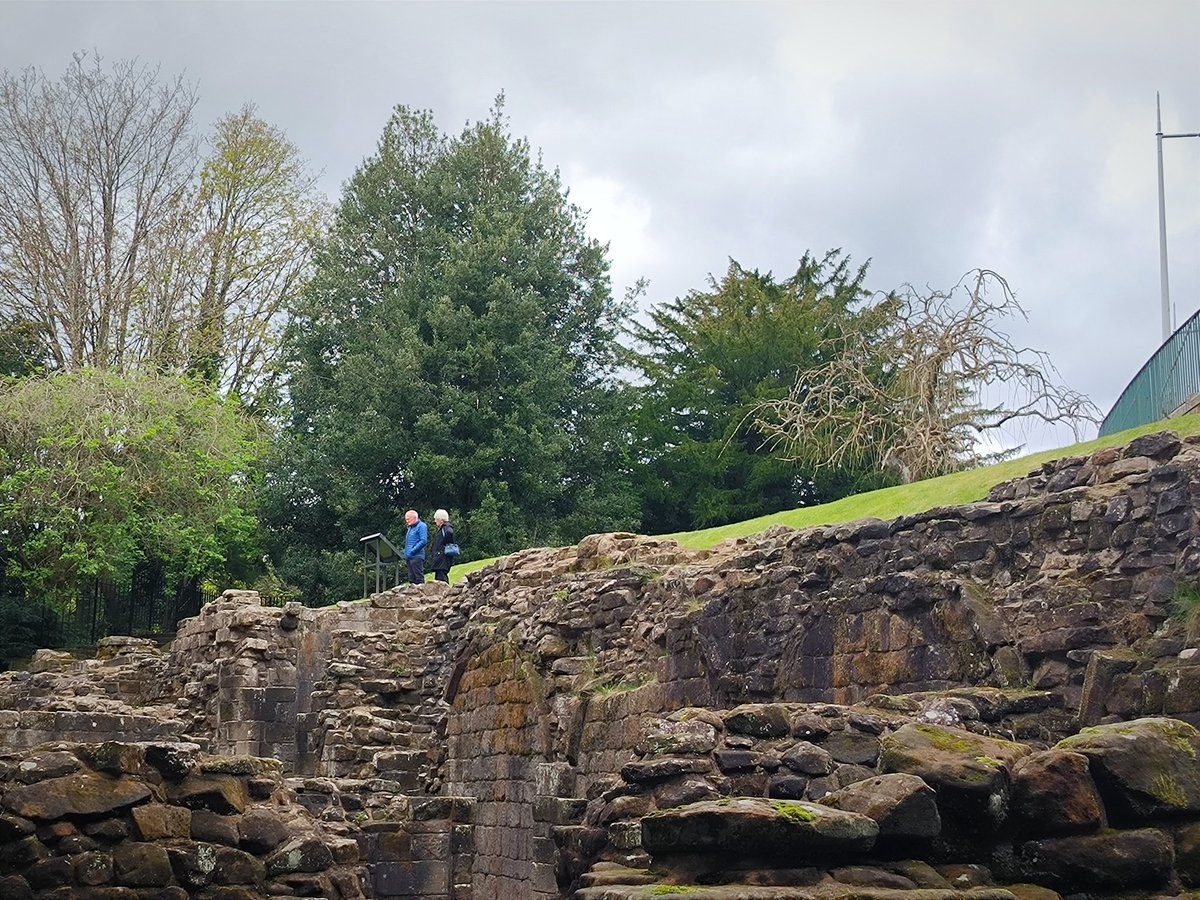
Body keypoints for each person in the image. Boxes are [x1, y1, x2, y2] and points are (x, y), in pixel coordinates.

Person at [429, 509, 457, 584]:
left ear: (441, 520)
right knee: (439, 577)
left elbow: (450, 534)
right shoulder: (443, 529)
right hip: (441, 558)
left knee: (442, 578)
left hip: (442, 558)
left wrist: (444, 544)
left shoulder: (446, 529)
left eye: (436, 519)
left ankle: (445, 593)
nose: (435, 521)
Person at [403, 509, 428, 584]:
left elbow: (423, 541)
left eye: (408, 519)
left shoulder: (421, 526)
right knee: (411, 579)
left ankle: (421, 594)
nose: (406, 521)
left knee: (419, 578)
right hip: (409, 557)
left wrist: (412, 551)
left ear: (414, 517)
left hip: (417, 556)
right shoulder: (410, 528)